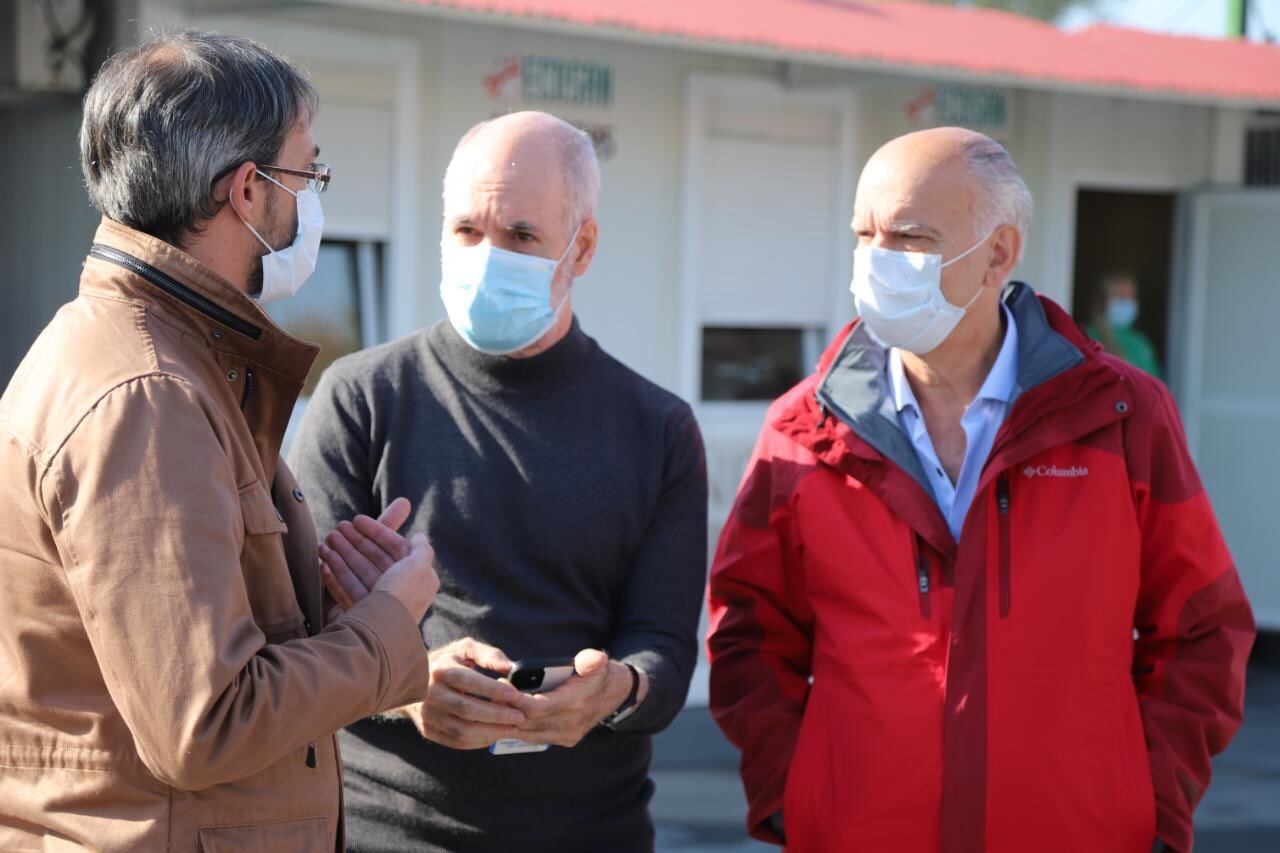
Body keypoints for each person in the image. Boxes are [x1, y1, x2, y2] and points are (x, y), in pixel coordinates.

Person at [707, 128, 1254, 853]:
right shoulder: (804, 427)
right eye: (864, 235)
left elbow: (1202, 630)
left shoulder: (1123, 418)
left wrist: (1146, 805)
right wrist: (794, 795)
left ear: (998, 253)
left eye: (909, 237)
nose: (876, 261)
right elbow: (747, 630)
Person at [0, 32, 440, 851]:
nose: (313, 198)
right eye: (308, 173)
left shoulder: (167, 358)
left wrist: (308, 600)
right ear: (247, 190)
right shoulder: (149, 393)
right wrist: (386, 624)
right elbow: (206, 720)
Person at [290, 110, 708, 852]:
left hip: (592, 834)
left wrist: (614, 690)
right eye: (466, 232)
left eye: (520, 236)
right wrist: (408, 683)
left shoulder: (658, 428)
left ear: (581, 248)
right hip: (381, 833)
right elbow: (294, 628)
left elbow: (664, 652)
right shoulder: (361, 397)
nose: (487, 256)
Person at [1088, 271, 1163, 378]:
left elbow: (1156, 385)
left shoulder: (1140, 342)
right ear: (1103, 301)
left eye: (1131, 297)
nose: (1127, 303)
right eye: (1120, 297)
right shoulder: (1088, 337)